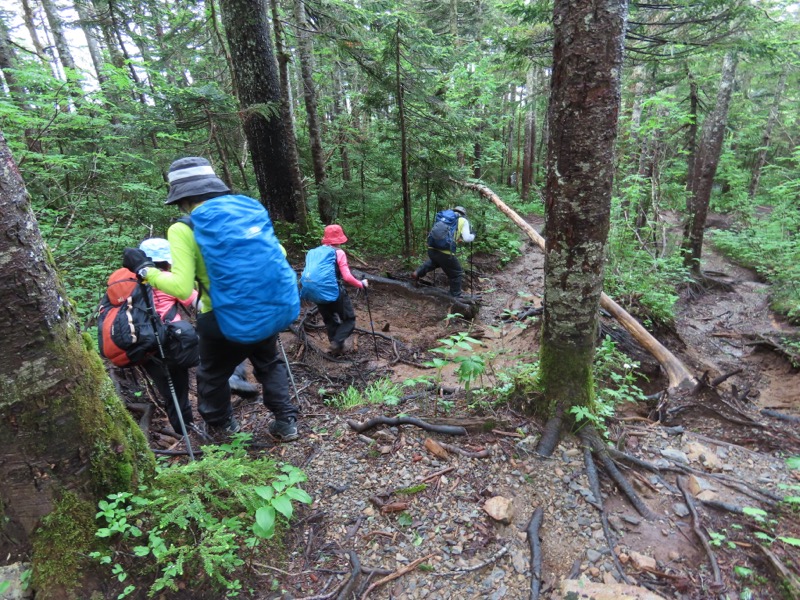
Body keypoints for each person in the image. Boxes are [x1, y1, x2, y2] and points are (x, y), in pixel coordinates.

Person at [123, 157, 300, 441]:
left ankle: (223, 428)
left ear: (183, 196)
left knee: (212, 374)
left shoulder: (184, 228)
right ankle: (286, 423)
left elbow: (180, 288)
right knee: (268, 362)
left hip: (221, 316)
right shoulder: (247, 211)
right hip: (265, 306)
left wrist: (145, 270)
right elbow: (279, 254)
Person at [137, 237, 198, 436]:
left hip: (144, 346)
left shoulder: (129, 284)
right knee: (180, 388)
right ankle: (190, 431)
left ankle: (183, 431)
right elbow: (199, 303)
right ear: (166, 260)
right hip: (172, 343)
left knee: (169, 393)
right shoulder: (169, 281)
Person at [315, 224, 368, 355]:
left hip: (316, 292)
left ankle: (336, 349)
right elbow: (347, 277)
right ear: (339, 238)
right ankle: (337, 343)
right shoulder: (338, 253)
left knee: (330, 320)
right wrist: (361, 284)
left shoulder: (315, 252)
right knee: (349, 320)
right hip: (335, 292)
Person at [412, 206, 475, 298]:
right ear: (463, 214)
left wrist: (456, 239)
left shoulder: (444, 218)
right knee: (457, 272)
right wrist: (473, 235)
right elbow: (467, 238)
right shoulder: (463, 221)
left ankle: (417, 272)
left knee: (435, 262)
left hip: (432, 249)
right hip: (445, 253)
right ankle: (455, 296)